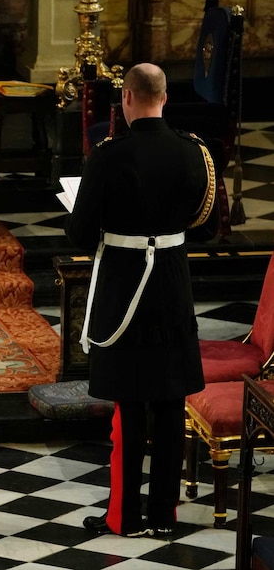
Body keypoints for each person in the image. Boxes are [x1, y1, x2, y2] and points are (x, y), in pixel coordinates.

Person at [66, 63, 217, 537]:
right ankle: (165, 518)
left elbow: (81, 232)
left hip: (124, 285)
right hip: (172, 285)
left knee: (129, 406)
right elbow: (208, 226)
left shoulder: (110, 155)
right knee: (171, 403)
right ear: (165, 98)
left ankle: (125, 517)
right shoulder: (195, 152)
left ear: (127, 98)